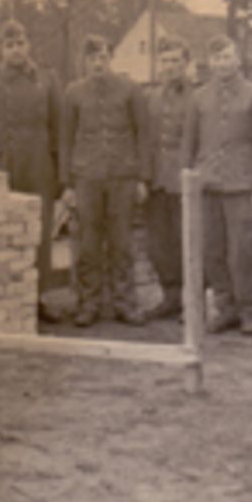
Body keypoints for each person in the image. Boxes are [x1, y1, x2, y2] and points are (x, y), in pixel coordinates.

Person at [0, 19, 63, 323]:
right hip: (3, 165)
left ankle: (37, 298)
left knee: (39, 232)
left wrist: (61, 174)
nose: (16, 50)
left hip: (39, 165)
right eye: (9, 45)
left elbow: (58, 129)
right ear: (1, 49)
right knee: (3, 230)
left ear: (28, 45)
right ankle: (3, 297)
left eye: (20, 43)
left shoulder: (47, 79)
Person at [181, 33, 252, 336]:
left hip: (242, 185)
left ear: (238, 59)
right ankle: (226, 307)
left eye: (227, 57)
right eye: (217, 58)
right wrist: (189, 180)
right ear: (209, 62)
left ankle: (250, 311)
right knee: (213, 251)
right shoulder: (199, 97)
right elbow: (189, 143)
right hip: (208, 185)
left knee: (244, 251)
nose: (222, 63)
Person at [60, 34, 150, 327]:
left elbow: (142, 136)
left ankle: (125, 302)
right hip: (87, 178)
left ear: (110, 58)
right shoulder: (73, 93)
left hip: (122, 177)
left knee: (122, 243)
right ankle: (89, 302)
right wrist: (68, 184)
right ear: (84, 63)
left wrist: (141, 178)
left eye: (102, 56)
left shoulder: (130, 90)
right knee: (88, 244)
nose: (98, 62)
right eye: (91, 57)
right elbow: (65, 141)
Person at [143, 36, 194, 319]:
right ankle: (170, 297)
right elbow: (146, 139)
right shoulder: (150, 96)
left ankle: (192, 301)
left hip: (184, 179)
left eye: (175, 60)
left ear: (186, 64)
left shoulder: (197, 96)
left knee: (185, 240)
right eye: (165, 61)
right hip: (157, 179)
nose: (170, 66)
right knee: (159, 243)